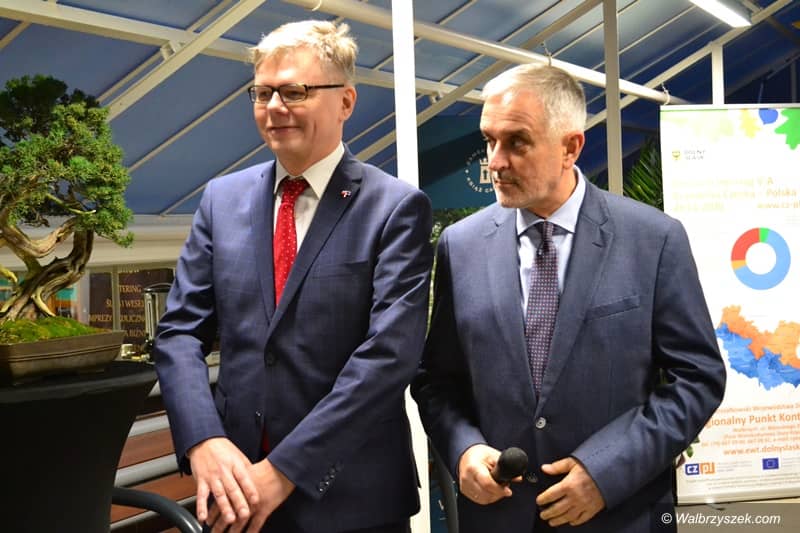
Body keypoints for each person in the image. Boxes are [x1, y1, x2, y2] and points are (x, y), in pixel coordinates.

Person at [411, 63, 726, 532]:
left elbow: (697, 379)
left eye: (517, 142)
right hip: (499, 517)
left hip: (619, 516)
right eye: (489, 141)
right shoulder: (460, 246)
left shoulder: (652, 240)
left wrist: (606, 472)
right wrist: (465, 450)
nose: (495, 161)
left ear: (570, 147)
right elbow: (437, 381)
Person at [153, 20, 433, 533]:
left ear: (345, 101)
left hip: (351, 501)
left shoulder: (394, 209)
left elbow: (389, 356)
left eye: (295, 91)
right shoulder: (221, 200)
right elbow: (179, 333)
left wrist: (284, 470)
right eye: (262, 93)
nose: (274, 107)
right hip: (235, 494)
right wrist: (203, 440)